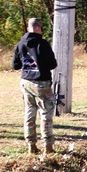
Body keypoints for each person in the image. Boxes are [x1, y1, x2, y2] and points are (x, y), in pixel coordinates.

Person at [11, 17, 58, 154]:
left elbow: (15, 65)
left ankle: (31, 145)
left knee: (29, 113)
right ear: (40, 28)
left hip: (26, 82)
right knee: (46, 114)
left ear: (28, 28)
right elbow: (52, 64)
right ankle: (48, 147)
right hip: (41, 83)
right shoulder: (43, 44)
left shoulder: (20, 44)